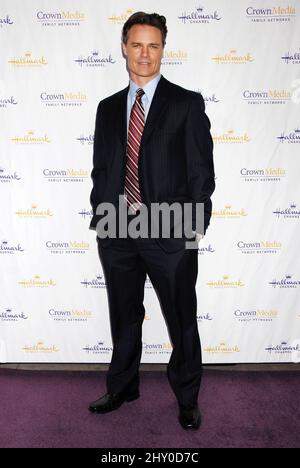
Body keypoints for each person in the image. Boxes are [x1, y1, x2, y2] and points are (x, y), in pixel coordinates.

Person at [88, 11, 215, 430]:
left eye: (153, 45)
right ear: (124, 47)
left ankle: (187, 397)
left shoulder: (185, 103)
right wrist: (102, 216)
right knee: (123, 314)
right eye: (137, 44)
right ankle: (122, 386)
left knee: (181, 319)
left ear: (163, 49)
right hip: (117, 229)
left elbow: (202, 174)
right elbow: (103, 169)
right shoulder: (107, 109)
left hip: (170, 231)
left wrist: (190, 228)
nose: (145, 54)